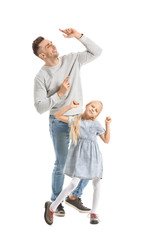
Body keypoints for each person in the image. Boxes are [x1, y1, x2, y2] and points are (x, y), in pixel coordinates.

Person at [32, 28, 102, 219]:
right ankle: (55, 201)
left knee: (87, 161)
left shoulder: (72, 60)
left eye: (51, 42)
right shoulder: (41, 77)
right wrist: (60, 93)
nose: (53, 45)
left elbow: (97, 51)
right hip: (59, 122)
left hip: (79, 121)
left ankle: (74, 196)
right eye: (48, 46)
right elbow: (39, 107)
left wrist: (79, 36)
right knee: (62, 163)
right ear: (42, 55)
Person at [44, 100, 111, 225]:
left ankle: (94, 213)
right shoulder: (76, 121)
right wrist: (70, 106)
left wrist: (107, 124)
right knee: (73, 183)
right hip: (80, 158)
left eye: (96, 110)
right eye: (92, 106)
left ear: (96, 115)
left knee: (96, 183)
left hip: (94, 158)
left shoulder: (96, 124)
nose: (93, 109)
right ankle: (52, 207)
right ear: (86, 106)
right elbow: (57, 116)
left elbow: (106, 140)